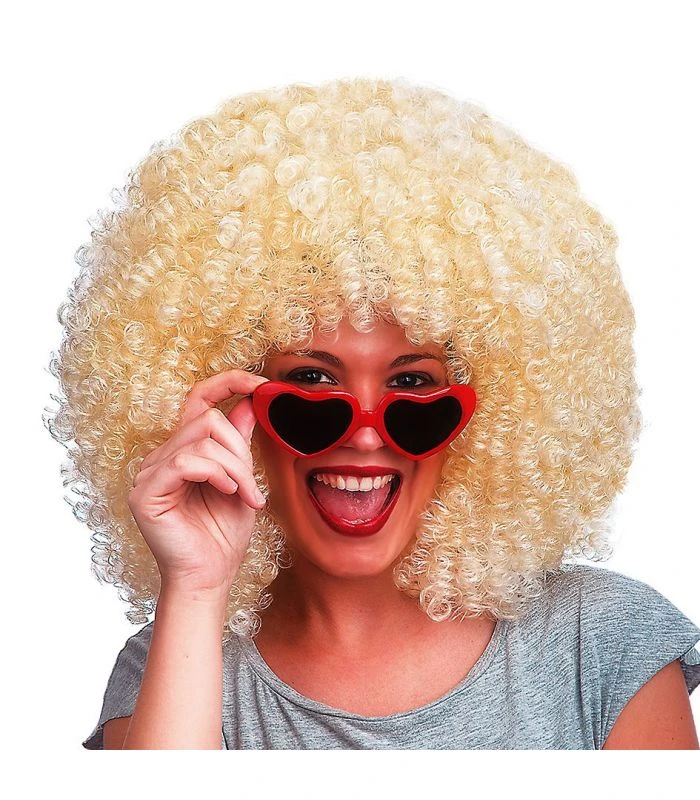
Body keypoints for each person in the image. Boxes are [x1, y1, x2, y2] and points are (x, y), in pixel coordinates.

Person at [45, 77, 700, 749]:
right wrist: (196, 588)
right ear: (234, 411)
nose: (364, 435)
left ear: (488, 419)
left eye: (412, 386)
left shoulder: (599, 643)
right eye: (310, 385)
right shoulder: (177, 664)